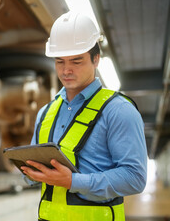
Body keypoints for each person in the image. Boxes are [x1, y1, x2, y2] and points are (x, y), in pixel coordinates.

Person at [20, 12, 147, 221]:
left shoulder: (119, 110)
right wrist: (31, 173)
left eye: (76, 61)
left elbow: (135, 178)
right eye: (59, 61)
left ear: (96, 59)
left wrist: (73, 182)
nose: (66, 70)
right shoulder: (45, 113)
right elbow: (35, 171)